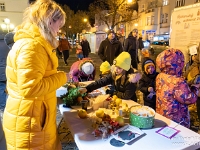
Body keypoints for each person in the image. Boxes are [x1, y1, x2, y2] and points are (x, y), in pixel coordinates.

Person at [3, 0, 67, 149]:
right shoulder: (33, 46)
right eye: (59, 24)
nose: (59, 29)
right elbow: (30, 88)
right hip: (30, 123)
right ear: (50, 21)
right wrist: (63, 77)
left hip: (33, 118)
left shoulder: (36, 43)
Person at [156, 48, 200, 128]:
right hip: (177, 119)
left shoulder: (160, 76)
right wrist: (195, 88)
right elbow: (189, 99)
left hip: (163, 114)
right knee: (177, 135)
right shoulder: (178, 81)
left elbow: (172, 90)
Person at [0, 33, 10, 111]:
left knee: (1, 89)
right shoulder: (7, 43)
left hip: (1, 72)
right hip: (8, 70)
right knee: (7, 89)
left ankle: (3, 107)